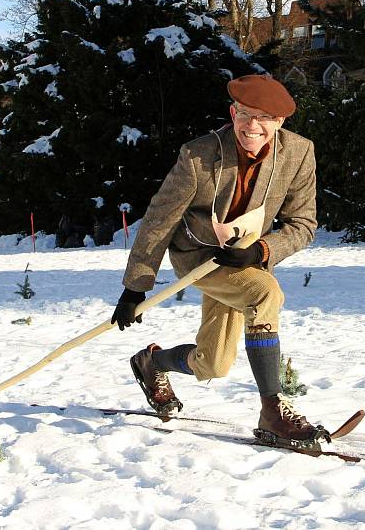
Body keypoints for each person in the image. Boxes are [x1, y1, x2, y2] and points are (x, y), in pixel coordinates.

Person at [112, 74, 323, 444]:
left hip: (246, 259)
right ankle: (272, 410)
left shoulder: (299, 153)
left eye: (263, 118)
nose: (252, 126)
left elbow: (303, 223)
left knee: (213, 364)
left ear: (280, 122)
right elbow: (160, 220)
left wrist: (261, 251)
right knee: (264, 294)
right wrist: (135, 287)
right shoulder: (199, 155)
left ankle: (152, 362)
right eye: (245, 114)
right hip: (198, 257)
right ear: (232, 112)